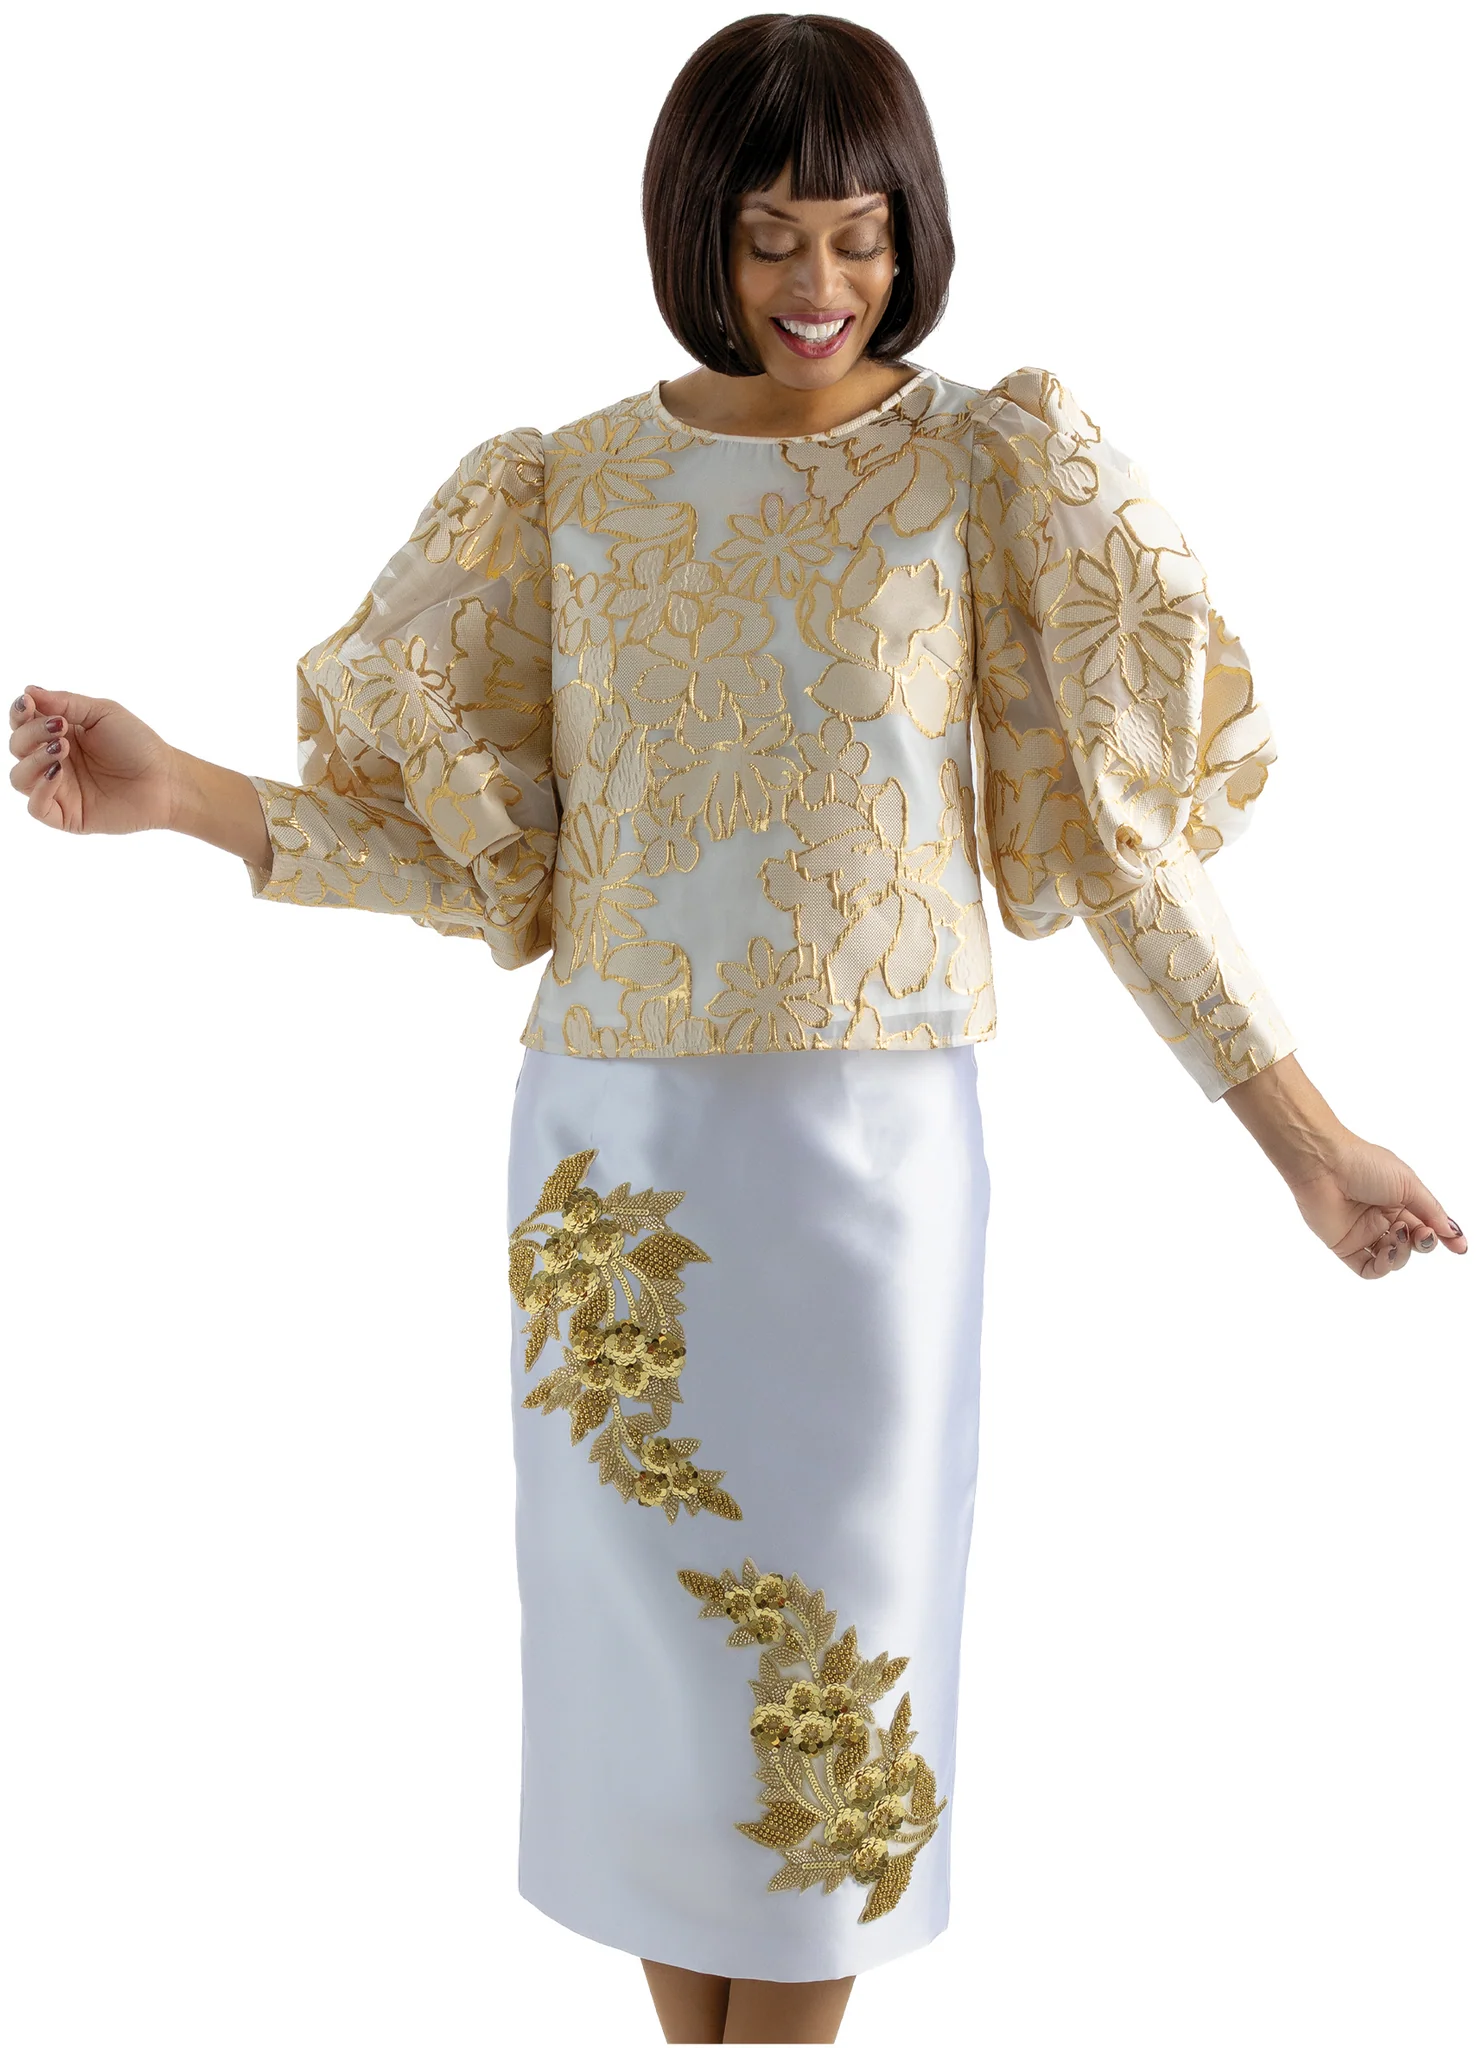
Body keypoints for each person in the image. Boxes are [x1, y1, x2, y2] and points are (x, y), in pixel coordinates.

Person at [8, 14, 1465, 2045]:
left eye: (858, 236)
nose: (816, 284)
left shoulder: (982, 471)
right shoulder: (565, 488)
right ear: (695, 229)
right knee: (656, 1705)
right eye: (771, 235)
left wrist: (1308, 1143)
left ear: (912, 233)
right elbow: (483, 871)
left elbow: (1119, 855)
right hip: (611, 1155)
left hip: (867, 1167)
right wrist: (178, 794)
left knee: (832, 1696)